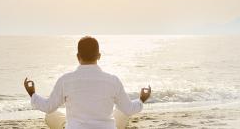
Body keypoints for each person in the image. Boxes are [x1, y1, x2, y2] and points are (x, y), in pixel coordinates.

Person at [24, 36, 152, 129]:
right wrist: (141, 100)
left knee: (51, 115)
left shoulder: (65, 80)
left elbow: (48, 106)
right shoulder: (113, 81)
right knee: (121, 113)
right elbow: (129, 109)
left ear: (78, 56)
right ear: (99, 56)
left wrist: (33, 94)